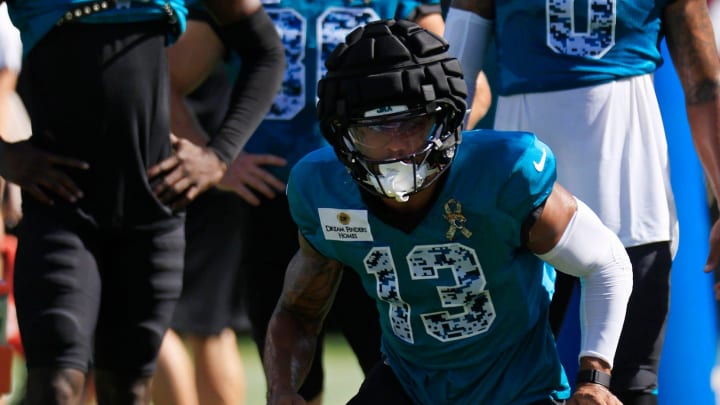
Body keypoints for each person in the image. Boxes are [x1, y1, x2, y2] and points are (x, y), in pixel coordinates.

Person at [263, 19, 633, 405]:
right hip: (407, 386)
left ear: (447, 120)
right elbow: (299, 310)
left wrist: (595, 377)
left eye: (413, 124)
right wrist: (282, 390)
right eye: (375, 129)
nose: (397, 147)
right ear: (343, 136)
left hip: (519, 392)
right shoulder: (323, 191)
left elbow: (606, 263)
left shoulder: (504, 174)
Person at [0, 0, 285, 403]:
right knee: (56, 384)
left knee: (129, 389)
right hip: (61, 208)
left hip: (152, 212)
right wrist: (4, 154)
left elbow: (266, 51)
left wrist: (218, 156)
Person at [443, 1, 720, 404]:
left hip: (632, 199)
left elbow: (705, 85)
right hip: (519, 204)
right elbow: (453, 85)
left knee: (628, 388)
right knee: (510, 387)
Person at [232, 3, 446, 404]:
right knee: (292, 383)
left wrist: (428, 160)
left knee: (393, 361)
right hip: (275, 196)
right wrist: (220, 156)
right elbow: (170, 72)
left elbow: (458, 81)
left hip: (379, 197)